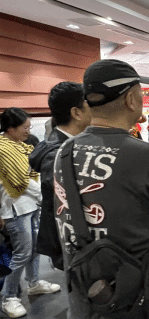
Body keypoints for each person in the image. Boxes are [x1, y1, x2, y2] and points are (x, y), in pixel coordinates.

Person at [53, 60, 149, 319]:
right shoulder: (144, 154)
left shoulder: (65, 151)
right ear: (130, 98)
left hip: (82, 298)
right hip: (133, 305)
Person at [0, 108, 61, 319]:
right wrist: (47, 196)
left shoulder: (21, 146)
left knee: (35, 248)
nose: (28, 131)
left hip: (31, 205)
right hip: (16, 208)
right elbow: (21, 181)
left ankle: (33, 283)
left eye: (29, 127)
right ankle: (8, 297)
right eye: (24, 128)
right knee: (22, 253)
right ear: (10, 129)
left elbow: (32, 174)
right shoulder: (4, 149)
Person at [29, 82, 92, 271]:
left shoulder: (63, 145)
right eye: (89, 104)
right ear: (76, 112)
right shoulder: (58, 153)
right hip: (71, 242)